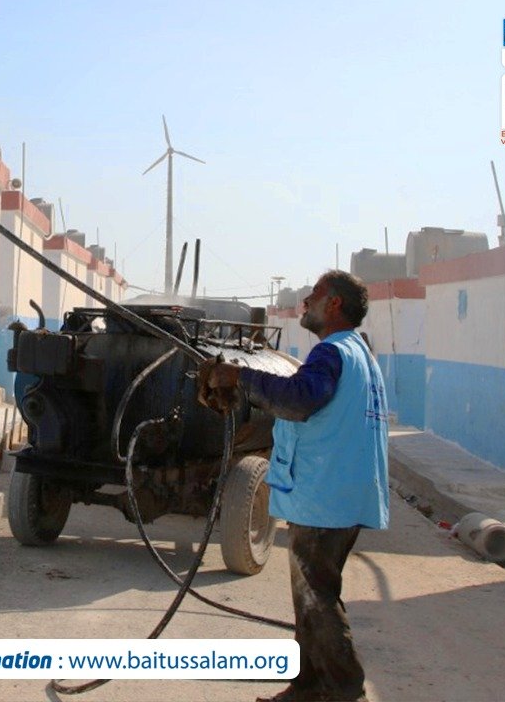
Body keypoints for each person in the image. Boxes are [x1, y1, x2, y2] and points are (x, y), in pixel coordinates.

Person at [197, 270, 388, 702]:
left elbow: (298, 399)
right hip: (342, 493)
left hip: (325, 496)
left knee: (317, 597)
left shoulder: (331, 354)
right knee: (311, 597)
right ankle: (307, 688)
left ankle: (343, 688)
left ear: (334, 304)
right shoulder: (359, 353)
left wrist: (240, 378)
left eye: (315, 295)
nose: (305, 301)